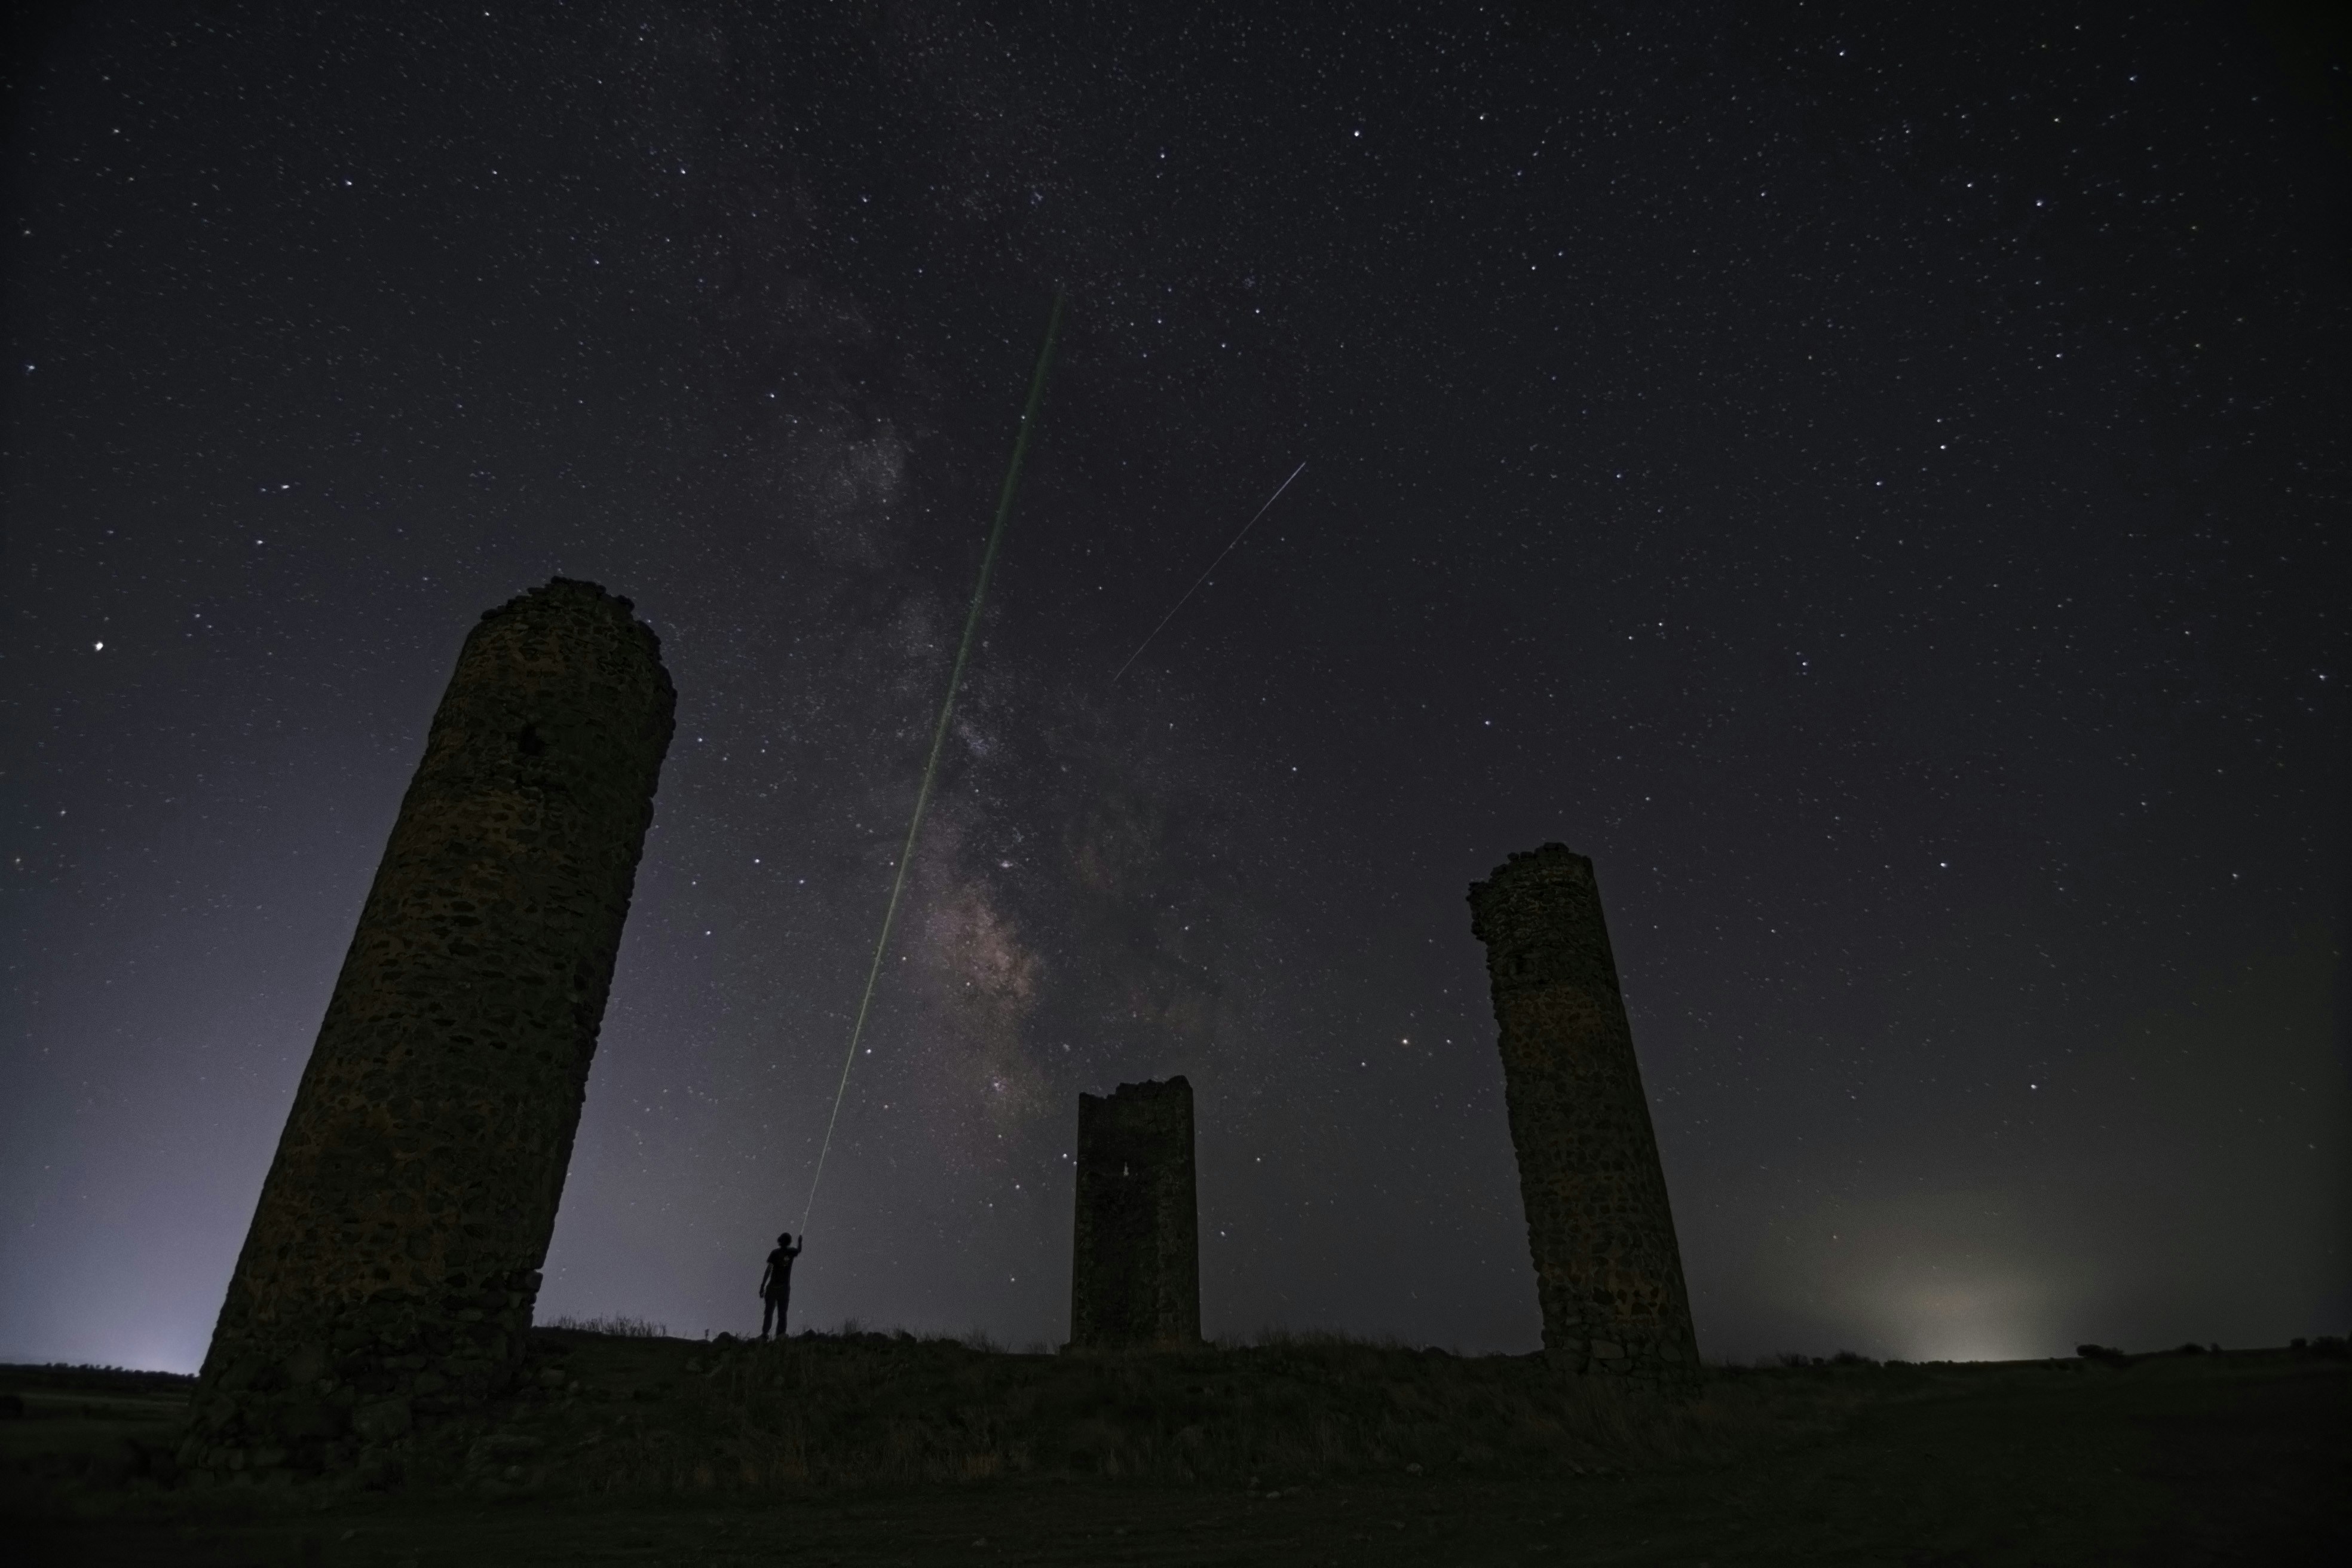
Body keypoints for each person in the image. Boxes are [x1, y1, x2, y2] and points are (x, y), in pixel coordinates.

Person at [758, 1231, 804, 1340]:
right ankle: (780, 1335)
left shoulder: (775, 1253)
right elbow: (799, 1250)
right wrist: (800, 1242)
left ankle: (766, 1334)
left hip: (773, 1288)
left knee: (770, 1312)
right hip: (782, 1288)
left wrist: (762, 1286)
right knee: (781, 1312)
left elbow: (768, 1270)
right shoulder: (791, 1252)